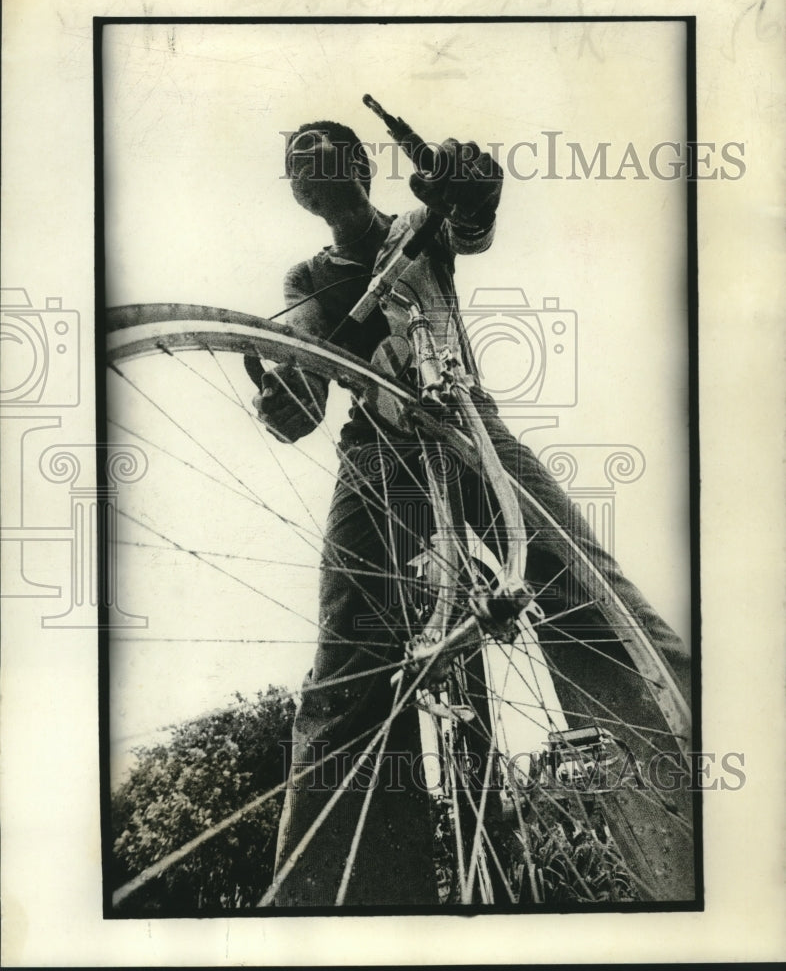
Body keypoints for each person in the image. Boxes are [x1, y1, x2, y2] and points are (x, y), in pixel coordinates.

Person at [249, 119, 691, 907]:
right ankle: (334, 908)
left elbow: (468, 220)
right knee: (350, 661)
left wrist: (469, 179)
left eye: (316, 156)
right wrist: (289, 397)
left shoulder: (416, 227)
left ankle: (692, 839)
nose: (304, 173)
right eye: (292, 167)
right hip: (377, 449)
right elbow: (306, 371)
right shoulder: (305, 275)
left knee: (590, 598)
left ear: (358, 164)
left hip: (464, 419)